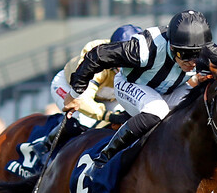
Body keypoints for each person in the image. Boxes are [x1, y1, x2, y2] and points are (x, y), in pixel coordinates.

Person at [67, 11, 214, 174]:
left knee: (199, 105)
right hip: (130, 84)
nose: (193, 63)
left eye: (198, 54)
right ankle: (104, 158)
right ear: (171, 46)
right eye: (186, 55)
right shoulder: (143, 48)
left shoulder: (209, 52)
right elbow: (97, 55)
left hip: (170, 89)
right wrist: (74, 94)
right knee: (158, 110)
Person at [38, 24, 144, 158]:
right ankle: (43, 147)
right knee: (78, 123)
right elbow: (83, 100)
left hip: (108, 96)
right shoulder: (98, 54)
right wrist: (108, 116)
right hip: (71, 89)